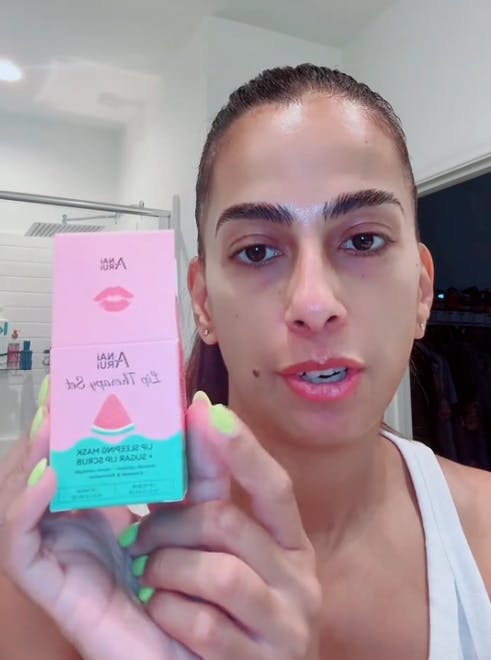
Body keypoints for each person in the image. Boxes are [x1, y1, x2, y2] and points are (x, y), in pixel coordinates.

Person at [0, 63, 490, 660]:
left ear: (422, 291)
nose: (314, 304)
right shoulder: (57, 579)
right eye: (257, 251)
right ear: (203, 303)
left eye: (363, 241)